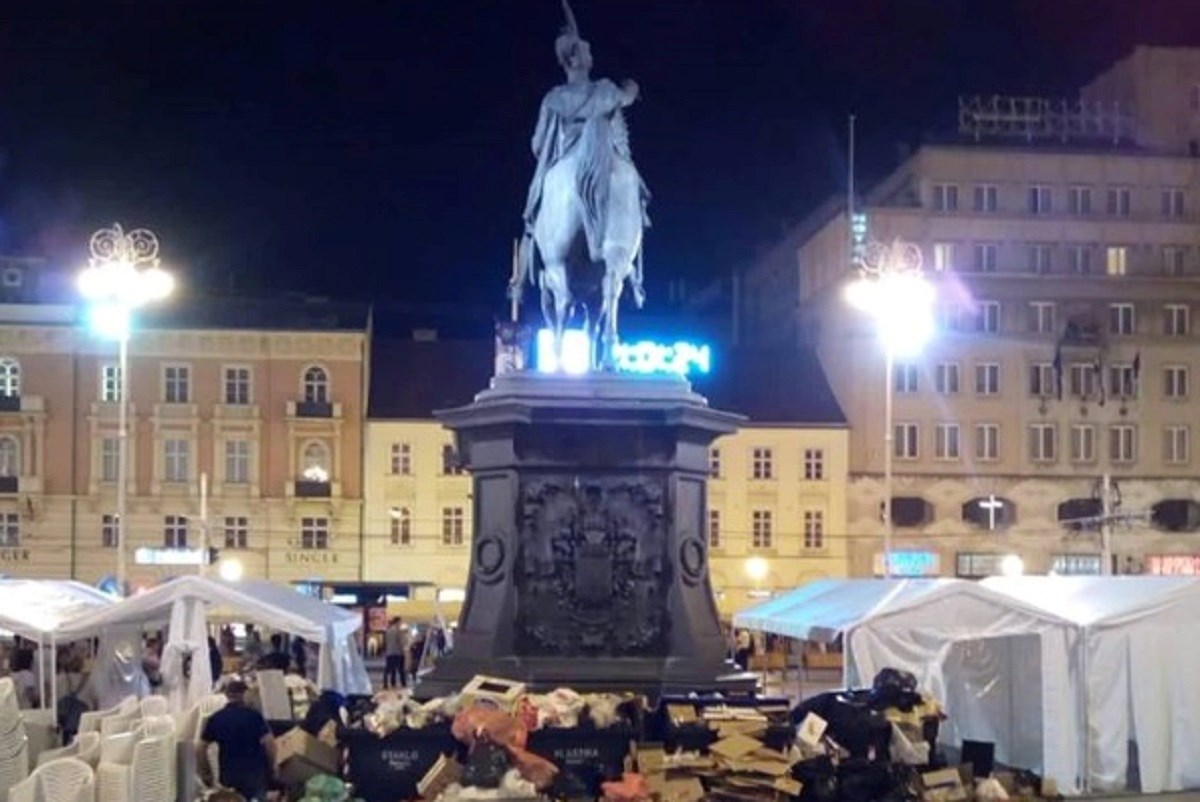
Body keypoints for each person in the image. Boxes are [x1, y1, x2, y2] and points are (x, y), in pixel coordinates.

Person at [198, 680, 278, 802]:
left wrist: (206, 773)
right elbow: (270, 744)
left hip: (228, 778)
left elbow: (200, 748)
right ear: (244, 694)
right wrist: (272, 768)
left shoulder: (217, 718)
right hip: (254, 778)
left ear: (227, 695)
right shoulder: (254, 716)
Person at [383, 618, 408, 689]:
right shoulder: (398, 631)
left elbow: (386, 642)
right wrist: (403, 649)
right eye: (400, 622)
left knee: (389, 669)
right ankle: (403, 684)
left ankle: (387, 683)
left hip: (389, 653)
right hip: (398, 652)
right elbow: (400, 642)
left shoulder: (388, 631)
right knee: (400, 669)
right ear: (397, 622)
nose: (400, 624)